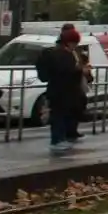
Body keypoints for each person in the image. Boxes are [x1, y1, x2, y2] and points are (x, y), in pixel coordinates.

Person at [35, 25, 84, 154]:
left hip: (56, 89)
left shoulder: (54, 53)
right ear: (70, 42)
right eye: (75, 43)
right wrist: (79, 70)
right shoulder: (64, 55)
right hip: (62, 91)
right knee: (59, 115)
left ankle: (59, 139)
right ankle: (57, 140)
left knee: (59, 114)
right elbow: (66, 72)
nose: (75, 46)